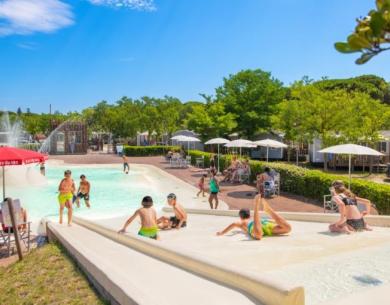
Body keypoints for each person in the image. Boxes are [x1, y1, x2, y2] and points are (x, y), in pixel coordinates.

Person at [216, 195, 291, 239]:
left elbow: (232, 224)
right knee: (287, 228)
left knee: (258, 235)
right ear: (250, 215)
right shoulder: (253, 218)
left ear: (241, 217)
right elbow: (275, 222)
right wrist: (275, 222)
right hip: (265, 222)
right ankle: (269, 211)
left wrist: (221, 232)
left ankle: (256, 206)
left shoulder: (242, 222)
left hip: (253, 226)